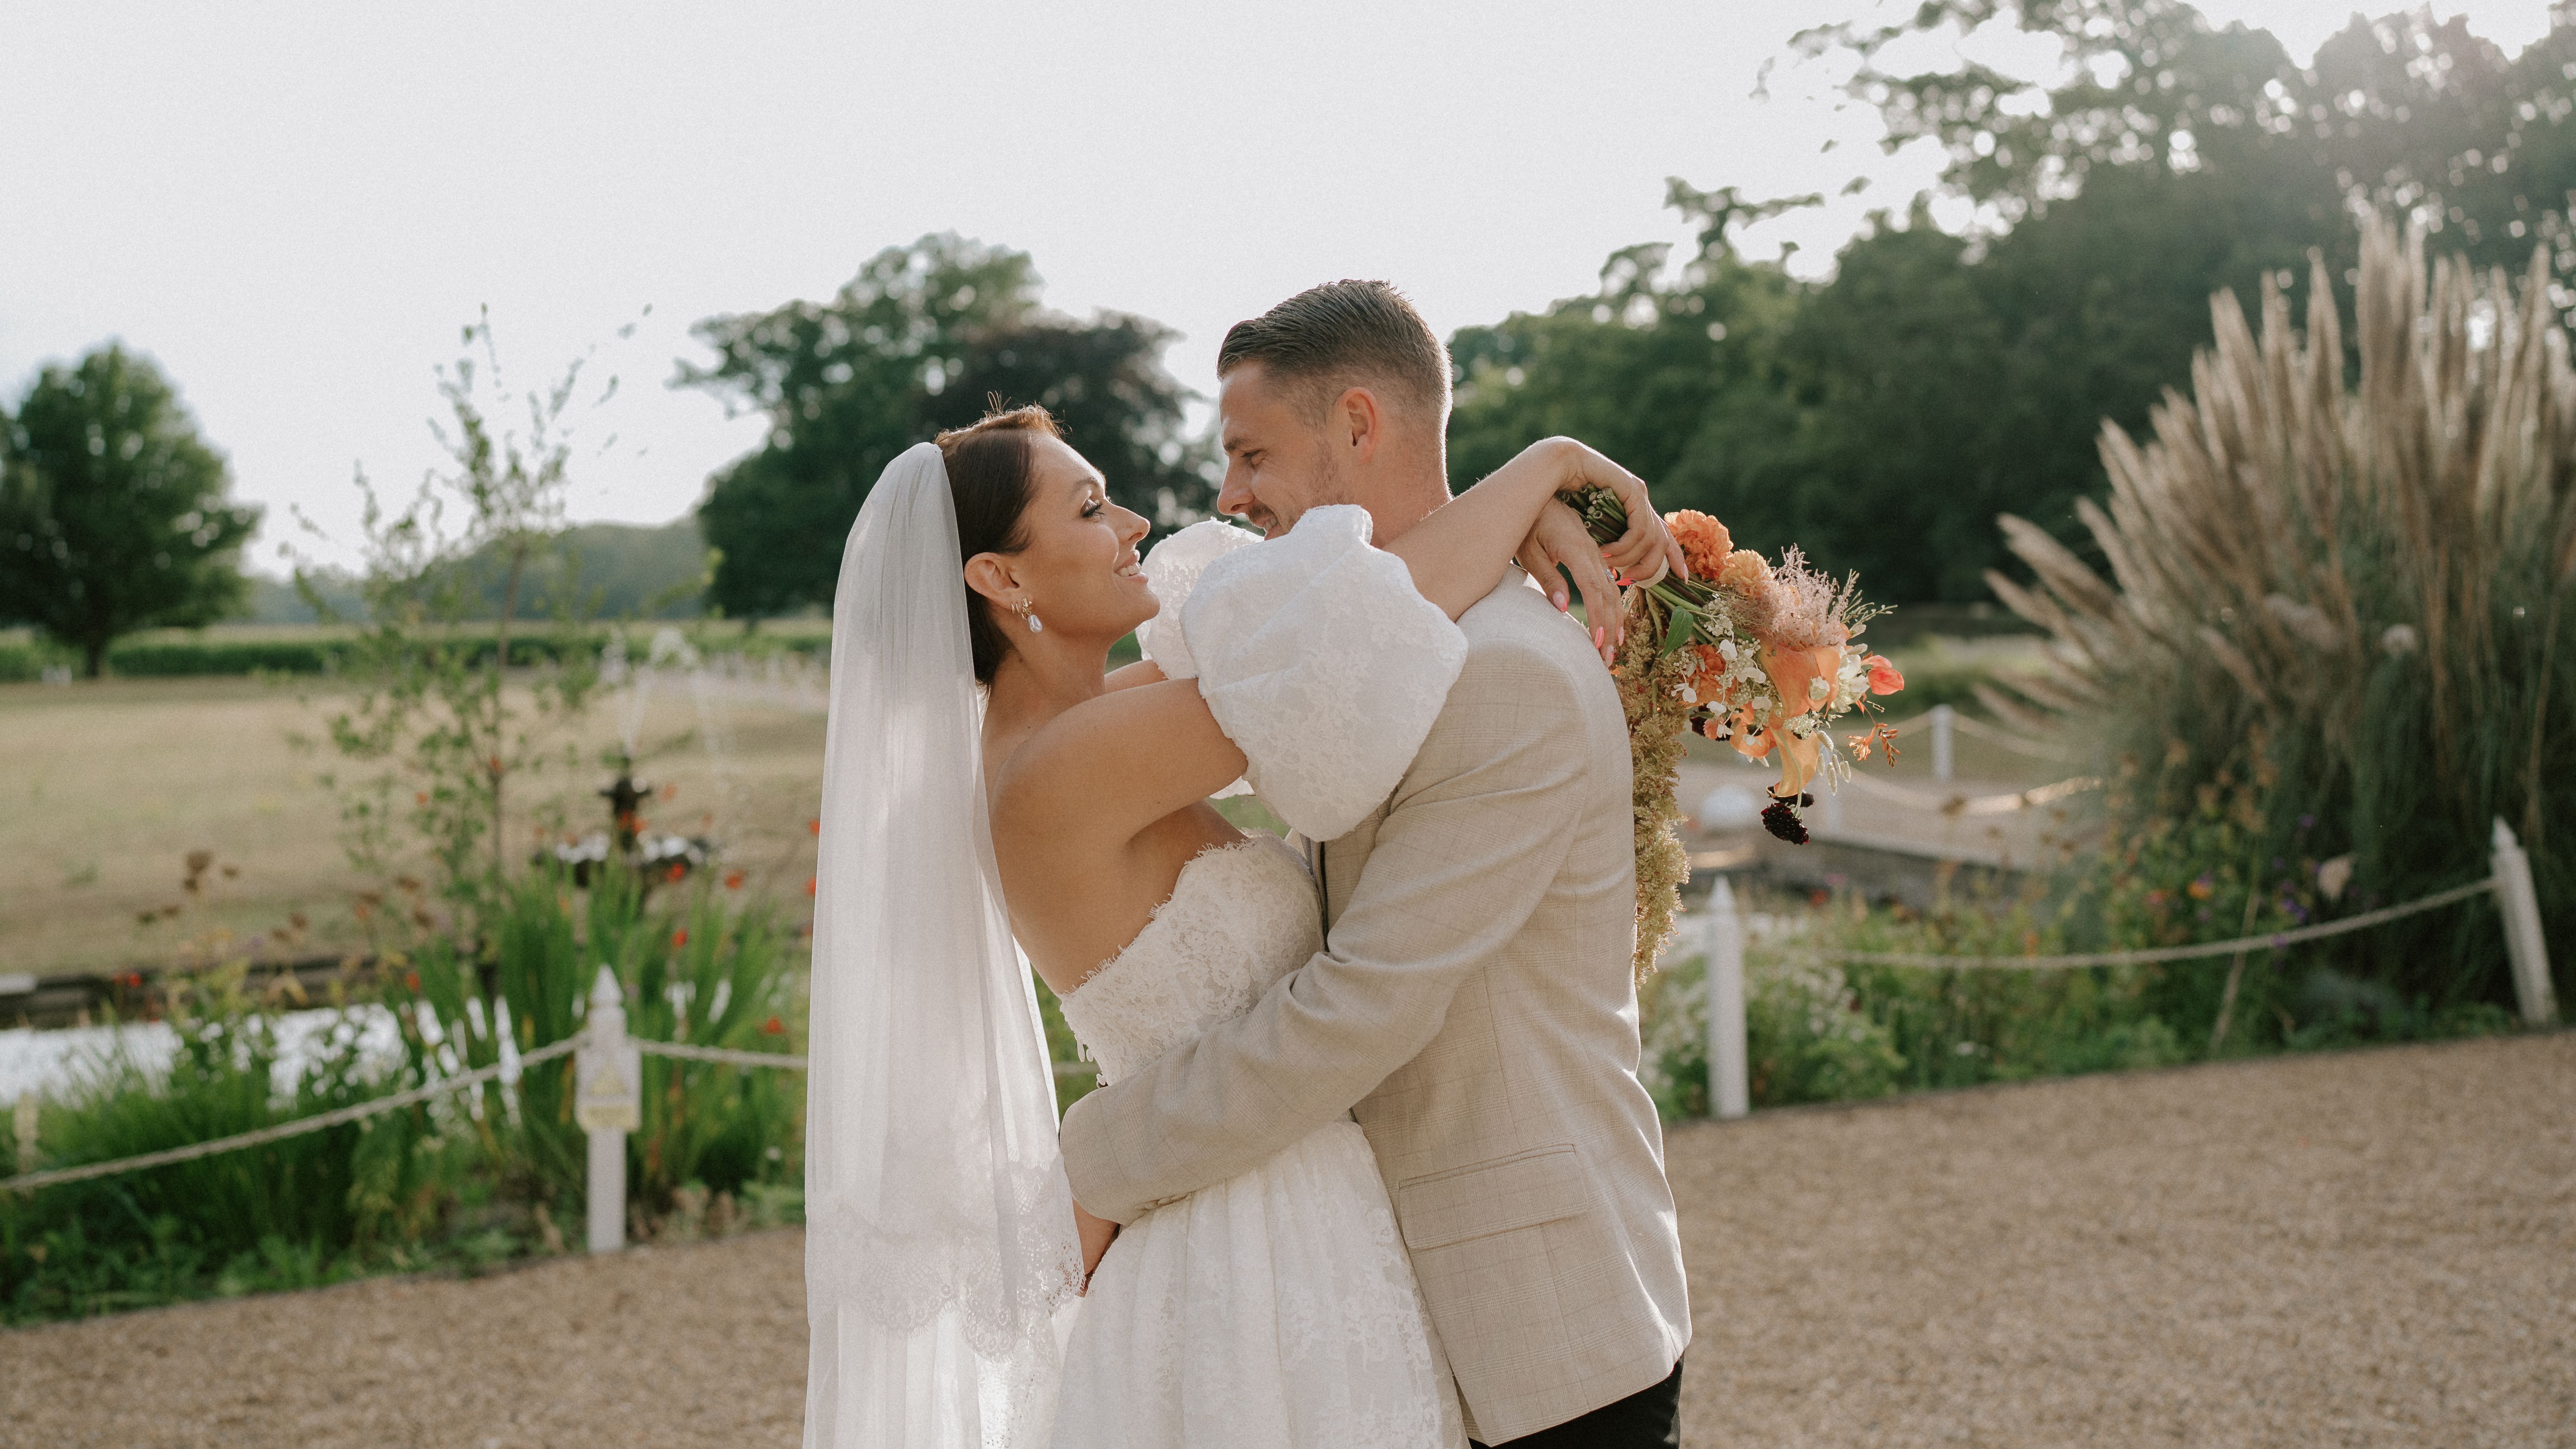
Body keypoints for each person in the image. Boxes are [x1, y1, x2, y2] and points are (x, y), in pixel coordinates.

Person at [802, 282, 1683, 1449]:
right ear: (1001, 582)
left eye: (1245, 454)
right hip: (1244, 1244)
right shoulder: (1062, 771)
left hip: (1323, 1227)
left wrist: (1514, 522)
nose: (1138, 531)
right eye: (1089, 511)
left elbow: (1325, 644)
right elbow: (1336, 643)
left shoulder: (1098, 727)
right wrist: (1539, 472)